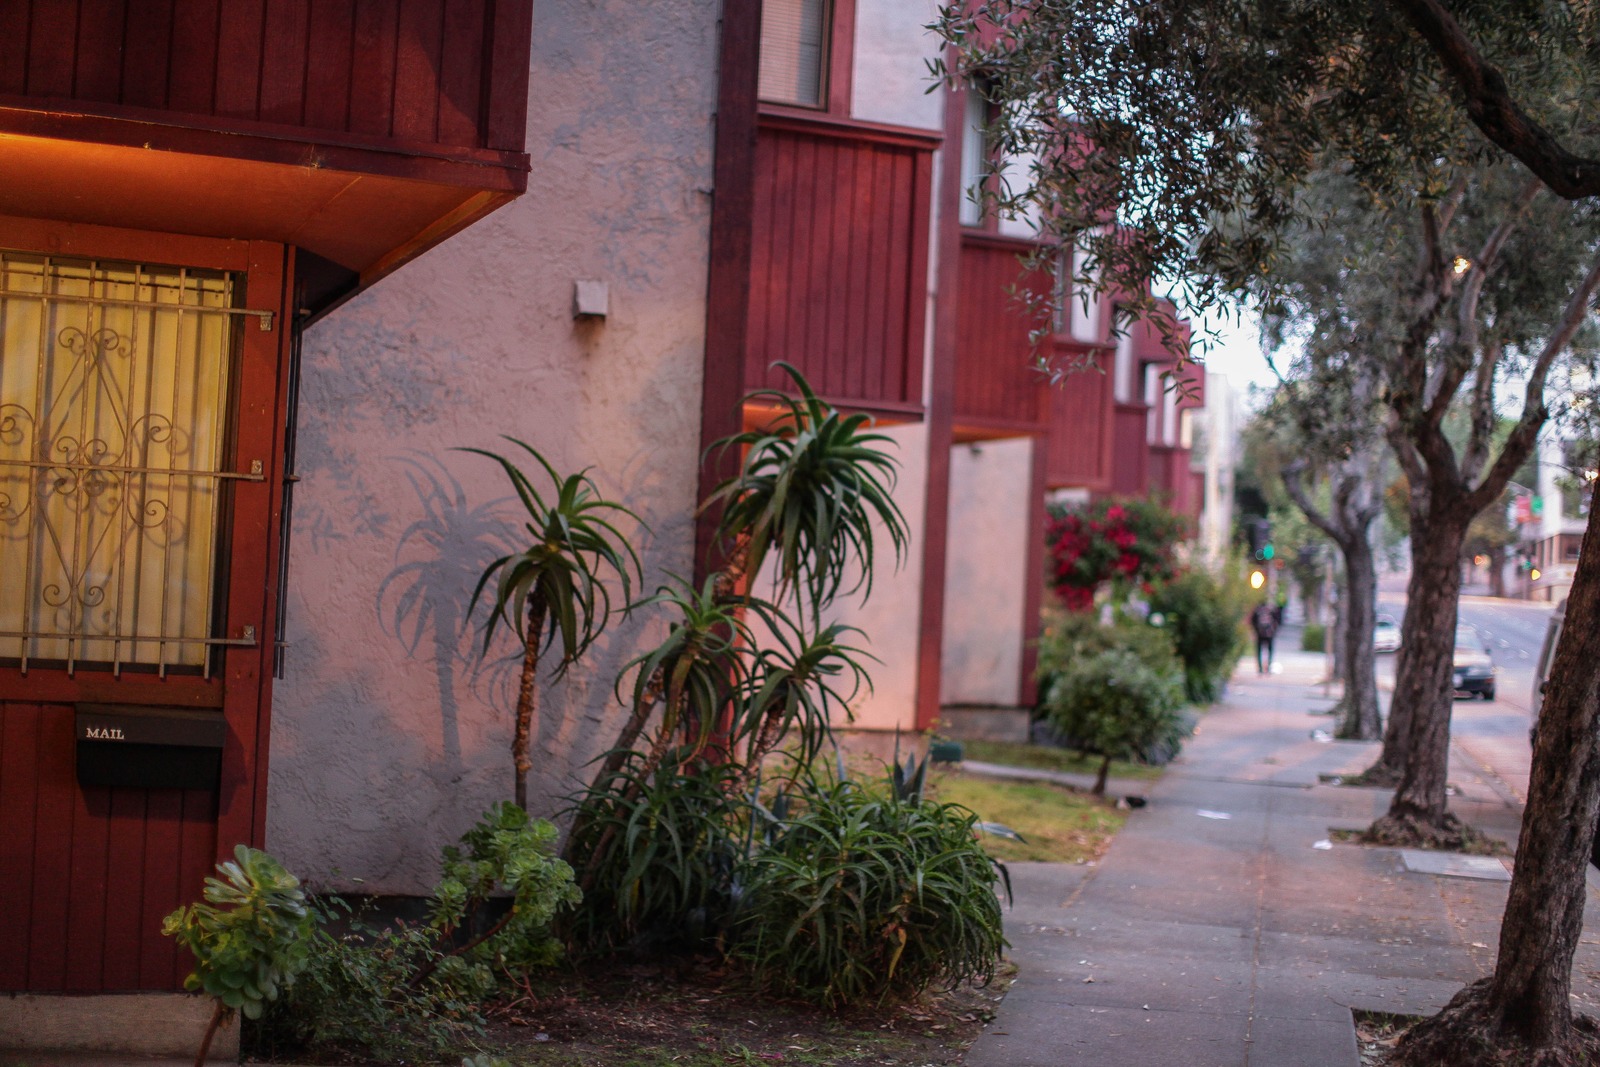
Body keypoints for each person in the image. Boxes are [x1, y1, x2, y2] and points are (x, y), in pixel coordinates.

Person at [1251, 601, 1279, 674]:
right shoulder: (1271, 611)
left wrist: (1256, 630)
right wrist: (1273, 631)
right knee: (1269, 651)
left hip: (1260, 634)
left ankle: (1260, 668)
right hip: (1269, 635)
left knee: (1259, 651)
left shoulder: (1258, 611)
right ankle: (1268, 667)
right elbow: (1277, 620)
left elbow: (1253, 621)